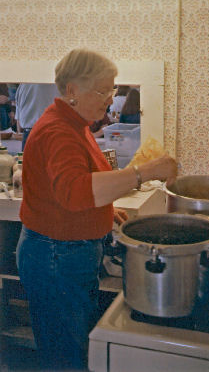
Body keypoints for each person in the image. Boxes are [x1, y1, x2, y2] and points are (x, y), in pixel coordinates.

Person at [16, 48, 177, 371]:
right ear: (72, 90)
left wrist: (104, 212)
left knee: (71, 346)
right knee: (67, 356)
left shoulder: (75, 124)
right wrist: (143, 172)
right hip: (55, 257)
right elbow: (75, 193)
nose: (110, 98)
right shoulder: (58, 131)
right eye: (103, 90)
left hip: (61, 252)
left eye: (113, 89)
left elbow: (80, 185)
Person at [15, 83, 60, 150]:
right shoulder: (55, 83)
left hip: (31, 133)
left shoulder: (24, 85)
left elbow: (19, 120)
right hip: (52, 133)